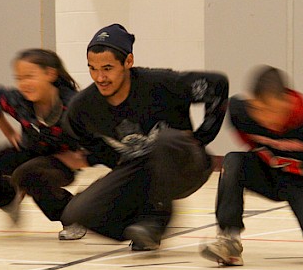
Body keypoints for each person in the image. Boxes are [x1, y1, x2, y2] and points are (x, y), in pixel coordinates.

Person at [60, 24, 228, 251]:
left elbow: (217, 85)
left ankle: (157, 218)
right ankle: (140, 228)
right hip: (140, 172)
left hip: (185, 164)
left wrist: (200, 138)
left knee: (165, 140)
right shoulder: (84, 106)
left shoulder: (160, 83)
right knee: (76, 212)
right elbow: (77, 130)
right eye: (92, 68)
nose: (100, 77)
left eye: (108, 68)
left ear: (128, 62)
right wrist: (113, 161)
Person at [200, 65, 303, 266]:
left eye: (271, 109)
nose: (264, 117)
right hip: (268, 174)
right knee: (233, 160)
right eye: (258, 109)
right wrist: (261, 150)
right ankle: (229, 240)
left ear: (286, 101)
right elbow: (242, 129)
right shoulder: (241, 112)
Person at [0, 49, 88, 240]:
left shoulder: (73, 105)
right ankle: (9, 199)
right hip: (29, 150)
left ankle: (72, 216)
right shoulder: (18, 100)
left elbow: (96, 139)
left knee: (31, 175)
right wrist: (7, 130)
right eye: (19, 78)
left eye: (29, 76)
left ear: (50, 74)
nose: (23, 84)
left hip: (60, 162)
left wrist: (81, 157)